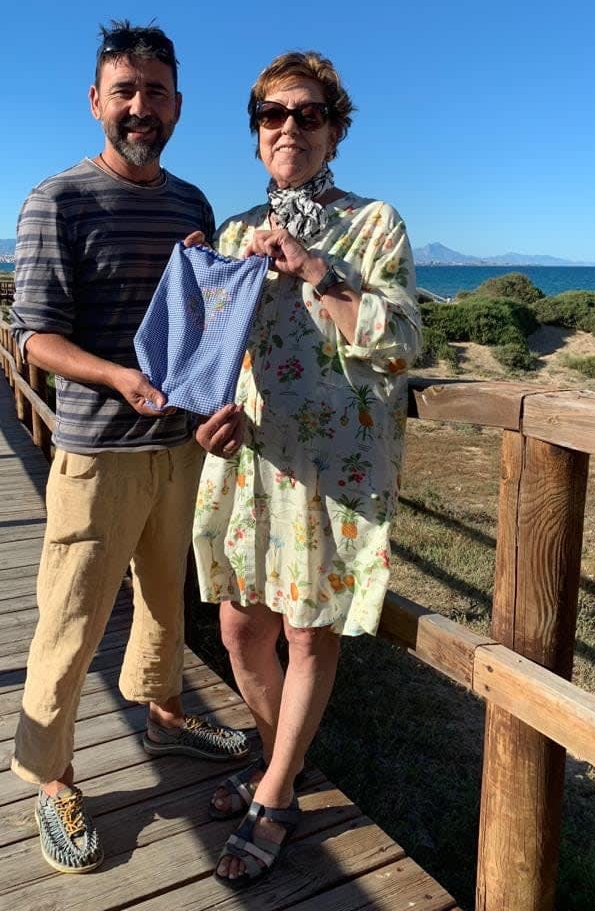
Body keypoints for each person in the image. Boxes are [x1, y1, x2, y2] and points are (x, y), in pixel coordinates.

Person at [9, 21, 249, 876]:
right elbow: (36, 336)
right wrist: (115, 377)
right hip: (98, 451)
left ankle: (165, 713)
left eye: (155, 92)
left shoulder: (192, 205)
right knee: (70, 621)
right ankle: (52, 778)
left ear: (178, 105)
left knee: (163, 599)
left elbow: (206, 322)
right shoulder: (57, 200)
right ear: (96, 102)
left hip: (176, 445)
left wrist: (210, 277)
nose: (140, 108)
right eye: (125, 92)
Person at [193, 51, 422, 889]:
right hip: (249, 456)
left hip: (333, 467)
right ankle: (271, 763)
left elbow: (400, 341)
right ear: (256, 133)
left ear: (335, 129)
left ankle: (278, 791)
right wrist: (202, 412)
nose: (289, 126)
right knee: (238, 627)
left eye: (309, 113)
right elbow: (212, 357)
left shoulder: (374, 224)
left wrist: (317, 270)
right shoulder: (231, 230)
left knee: (304, 628)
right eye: (271, 114)